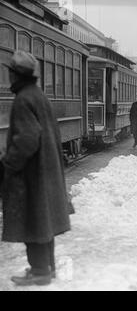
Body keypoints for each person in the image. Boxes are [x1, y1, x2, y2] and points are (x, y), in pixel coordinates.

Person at [0, 51, 73, 286]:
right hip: (45, 172)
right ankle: (47, 268)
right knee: (44, 223)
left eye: (10, 72)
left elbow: (27, 140)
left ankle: (39, 271)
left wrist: (9, 163)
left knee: (32, 222)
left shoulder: (23, 99)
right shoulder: (39, 96)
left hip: (32, 175)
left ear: (15, 75)